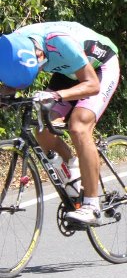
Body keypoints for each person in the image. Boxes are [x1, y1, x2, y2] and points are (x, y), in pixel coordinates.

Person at [0, 22, 120, 225]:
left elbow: (92, 85)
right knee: (43, 130)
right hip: (68, 71)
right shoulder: (14, 45)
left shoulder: (59, 42)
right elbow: (11, 83)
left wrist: (56, 95)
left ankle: (92, 207)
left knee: (79, 126)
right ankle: (73, 173)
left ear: (38, 55)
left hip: (99, 70)